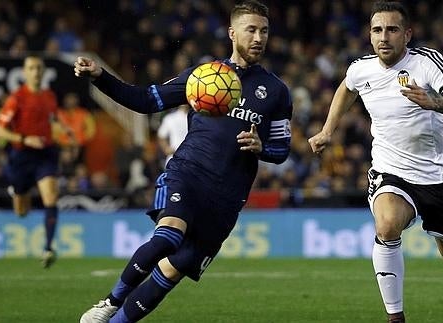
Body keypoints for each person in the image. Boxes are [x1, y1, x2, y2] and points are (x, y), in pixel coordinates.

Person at [76, 1, 292, 322]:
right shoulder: (203, 77)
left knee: (172, 271)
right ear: (233, 33)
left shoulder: (276, 91)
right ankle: (110, 301)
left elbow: (281, 149)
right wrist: (101, 77)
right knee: (168, 235)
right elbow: (147, 100)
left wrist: (261, 147)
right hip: (188, 174)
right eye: (251, 30)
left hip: (227, 198)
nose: (258, 37)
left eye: (264, 30)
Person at [308, 2, 443, 323]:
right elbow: (346, 88)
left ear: (407, 34)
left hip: (438, 177)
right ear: (370, 35)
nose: (384, 37)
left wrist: (434, 101)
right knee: (386, 225)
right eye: (377, 30)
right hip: (390, 171)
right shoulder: (361, 68)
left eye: (392, 30)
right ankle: (396, 318)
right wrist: (328, 130)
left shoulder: (426, 63)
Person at [0, 56, 65, 268]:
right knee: (21, 212)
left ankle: (48, 247)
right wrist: (25, 139)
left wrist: (64, 130)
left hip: (45, 153)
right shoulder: (16, 98)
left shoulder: (50, 96)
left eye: (39, 68)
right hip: (22, 156)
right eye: (31, 68)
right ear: (24, 72)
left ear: (43, 72)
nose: (35, 71)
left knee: (51, 197)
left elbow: (53, 119)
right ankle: (16, 192)